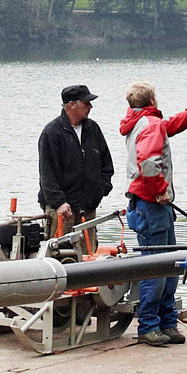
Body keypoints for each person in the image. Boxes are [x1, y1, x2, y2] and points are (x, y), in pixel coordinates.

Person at [119, 81, 187, 346]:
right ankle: (149, 326)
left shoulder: (143, 122)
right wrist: (161, 190)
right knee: (156, 268)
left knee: (170, 265)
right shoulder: (150, 124)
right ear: (152, 100)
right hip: (151, 205)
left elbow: (173, 124)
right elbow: (148, 162)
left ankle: (167, 322)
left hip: (149, 206)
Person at [37, 83, 115, 250]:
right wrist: (59, 203)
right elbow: (47, 174)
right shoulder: (51, 132)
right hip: (62, 212)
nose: (90, 106)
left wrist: (100, 191)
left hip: (88, 210)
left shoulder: (93, 129)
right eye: (86, 103)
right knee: (62, 256)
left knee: (88, 253)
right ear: (71, 104)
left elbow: (107, 164)